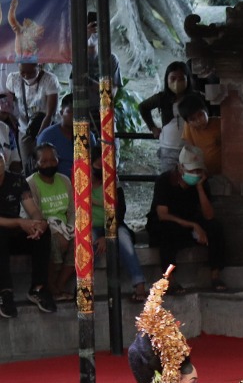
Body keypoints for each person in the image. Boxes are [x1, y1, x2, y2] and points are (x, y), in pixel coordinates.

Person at [148, 144, 228, 292]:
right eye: (192, 170)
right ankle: (169, 279)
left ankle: (215, 276)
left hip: (190, 222)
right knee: (166, 232)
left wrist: (199, 188)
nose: (195, 174)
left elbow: (209, 215)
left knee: (215, 228)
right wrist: (192, 225)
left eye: (198, 170)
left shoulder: (201, 183)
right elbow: (162, 214)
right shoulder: (164, 181)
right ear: (181, 168)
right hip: (169, 222)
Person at [0, 148, 55, 318]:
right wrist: (19, 222)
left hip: (14, 232)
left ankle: (38, 288)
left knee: (43, 233)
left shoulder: (16, 180)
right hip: (3, 231)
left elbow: (32, 209)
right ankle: (5, 292)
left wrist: (38, 223)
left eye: (0, 161)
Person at [88, 146, 148, 302]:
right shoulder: (80, 182)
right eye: (98, 166)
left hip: (113, 224)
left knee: (124, 237)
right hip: (90, 226)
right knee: (89, 242)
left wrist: (108, 234)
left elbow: (119, 212)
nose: (101, 170)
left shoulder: (113, 182)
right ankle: (85, 287)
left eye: (105, 166)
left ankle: (139, 283)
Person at [25, 143, 73, 300]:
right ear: (36, 163)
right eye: (43, 161)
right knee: (53, 241)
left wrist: (70, 229)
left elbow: (73, 210)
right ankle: (51, 286)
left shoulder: (65, 181)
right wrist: (57, 231)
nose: (49, 164)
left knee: (83, 243)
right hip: (44, 226)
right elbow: (35, 214)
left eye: (52, 160)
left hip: (66, 225)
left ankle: (58, 285)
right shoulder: (31, 183)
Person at [137, 61, 192, 173]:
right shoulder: (162, 98)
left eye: (181, 79)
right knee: (169, 181)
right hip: (168, 149)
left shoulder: (195, 98)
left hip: (191, 148)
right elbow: (143, 107)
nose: (177, 82)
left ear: (188, 80)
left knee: (190, 182)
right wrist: (152, 127)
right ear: (167, 80)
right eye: (173, 78)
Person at [4, 62, 59, 172]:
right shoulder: (13, 79)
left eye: (30, 72)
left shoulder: (49, 80)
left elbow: (49, 114)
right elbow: (8, 102)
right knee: (28, 166)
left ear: (39, 66)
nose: (26, 75)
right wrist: (11, 116)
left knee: (45, 164)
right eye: (22, 72)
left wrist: (40, 137)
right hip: (24, 128)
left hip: (46, 127)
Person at [36, 94, 95, 179]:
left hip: (83, 183)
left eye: (80, 112)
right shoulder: (47, 136)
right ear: (61, 113)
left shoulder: (89, 136)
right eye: (70, 112)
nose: (76, 116)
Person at [178, 93, 223, 182]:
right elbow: (190, 150)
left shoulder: (219, 124)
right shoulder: (188, 127)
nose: (198, 121)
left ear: (206, 110)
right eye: (193, 119)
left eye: (200, 115)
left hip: (221, 174)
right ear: (187, 122)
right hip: (201, 174)